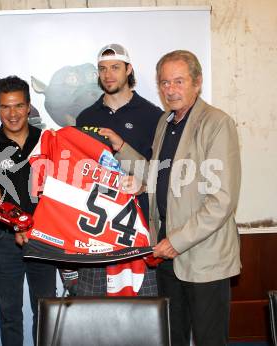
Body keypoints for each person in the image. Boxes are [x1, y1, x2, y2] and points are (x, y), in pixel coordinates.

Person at [103, 50, 241, 346]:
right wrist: (121, 146)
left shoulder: (217, 123)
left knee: (209, 340)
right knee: (172, 337)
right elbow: (157, 172)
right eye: (165, 83)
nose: (170, 90)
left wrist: (175, 242)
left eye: (179, 81)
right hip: (166, 254)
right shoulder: (166, 122)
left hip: (203, 258)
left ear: (198, 82)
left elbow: (222, 201)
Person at [75, 43, 163, 296]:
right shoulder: (86, 117)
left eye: (115, 67)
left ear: (129, 70)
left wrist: (141, 182)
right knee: (98, 314)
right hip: (97, 229)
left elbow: (161, 173)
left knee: (144, 311)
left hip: (140, 231)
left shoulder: (152, 115)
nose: (108, 74)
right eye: (102, 69)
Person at [0, 76, 56, 346]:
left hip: (43, 239)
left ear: (29, 106)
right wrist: (20, 226)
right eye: (6, 107)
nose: (13, 114)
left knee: (45, 312)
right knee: (9, 315)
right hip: (5, 241)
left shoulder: (47, 141)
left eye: (19, 106)